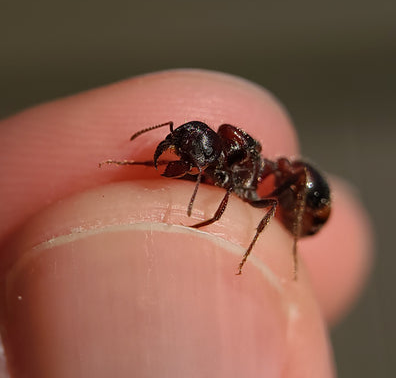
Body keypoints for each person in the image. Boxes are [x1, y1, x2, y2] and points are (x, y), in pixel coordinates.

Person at [0, 70, 373, 377]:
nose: (177, 153)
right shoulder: (217, 163)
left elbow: (251, 177)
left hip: (304, 201)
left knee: (263, 203)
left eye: (184, 149)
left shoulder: (249, 171)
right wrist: (133, 163)